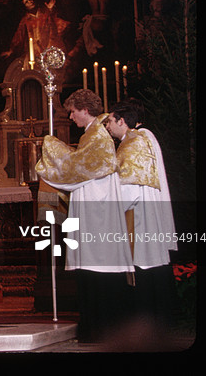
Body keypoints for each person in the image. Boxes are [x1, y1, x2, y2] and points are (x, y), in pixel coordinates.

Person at [35, 88, 134, 342]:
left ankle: (101, 328)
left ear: (86, 110)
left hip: (98, 212)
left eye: (73, 112)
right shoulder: (92, 134)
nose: (70, 117)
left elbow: (76, 167)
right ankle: (94, 326)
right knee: (91, 267)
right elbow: (79, 165)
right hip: (92, 206)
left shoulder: (97, 135)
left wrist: (51, 146)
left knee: (97, 267)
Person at [106, 99, 177, 332]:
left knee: (143, 264)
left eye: (110, 121)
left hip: (139, 215)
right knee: (153, 263)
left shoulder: (133, 143)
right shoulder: (143, 137)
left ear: (122, 121)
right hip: (147, 212)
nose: (108, 126)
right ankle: (161, 321)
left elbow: (130, 187)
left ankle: (146, 324)